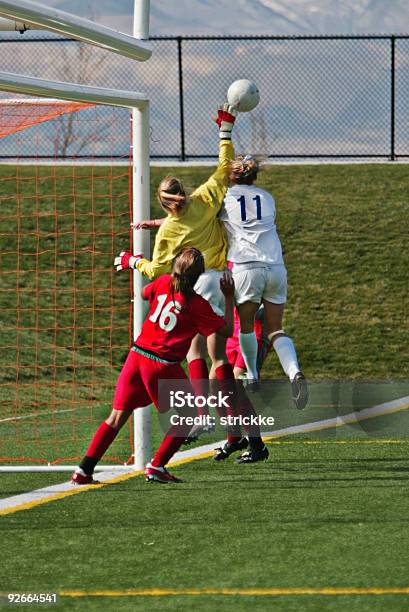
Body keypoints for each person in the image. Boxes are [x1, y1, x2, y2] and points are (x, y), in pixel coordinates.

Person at [117, 105, 268, 463]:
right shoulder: (203, 198)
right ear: (182, 192)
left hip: (198, 287)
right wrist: (225, 129)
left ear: (164, 203)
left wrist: (129, 261)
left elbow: (155, 270)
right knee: (218, 366)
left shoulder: (171, 229)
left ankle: (220, 425)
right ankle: (235, 435)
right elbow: (224, 167)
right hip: (222, 281)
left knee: (205, 361)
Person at [71, 248, 267, 485]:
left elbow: (144, 293)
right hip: (161, 364)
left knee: (116, 417)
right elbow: (225, 330)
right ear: (199, 276)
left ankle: (83, 470)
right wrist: (227, 297)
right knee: (190, 415)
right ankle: (157, 465)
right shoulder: (197, 305)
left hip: (136, 356)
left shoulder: (163, 282)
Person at [219, 155, 308, 409]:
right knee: (275, 329)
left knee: (245, 327)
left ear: (231, 175)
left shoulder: (225, 198)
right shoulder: (268, 198)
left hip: (246, 268)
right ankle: (294, 372)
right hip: (276, 267)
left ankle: (252, 374)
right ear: (254, 175)